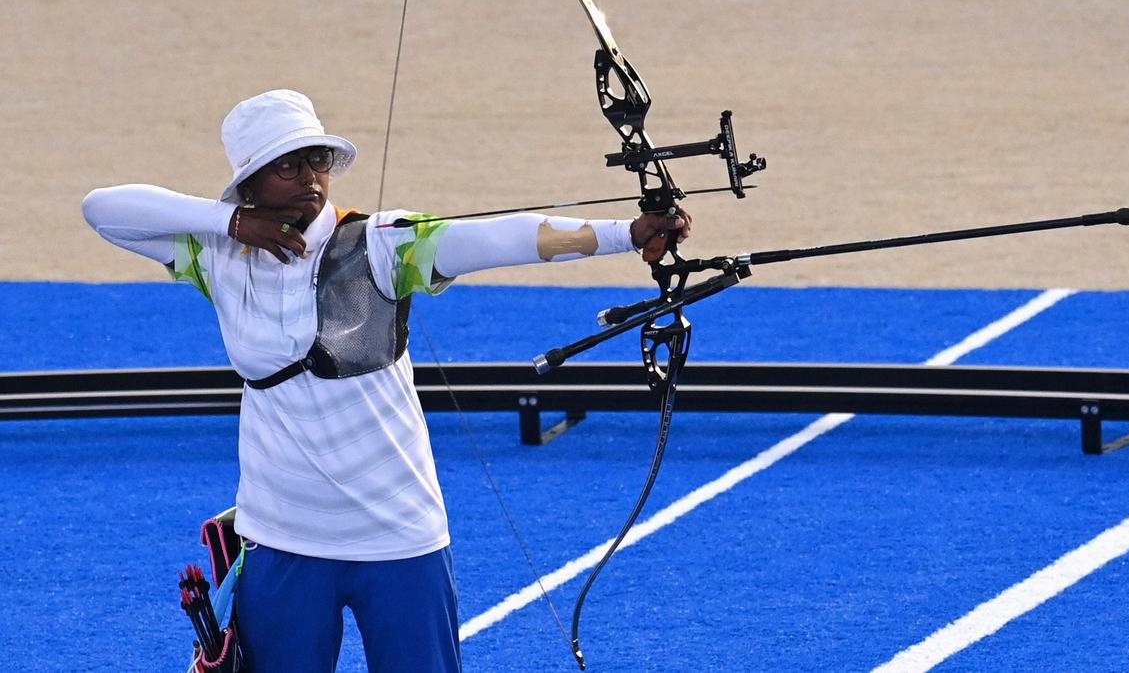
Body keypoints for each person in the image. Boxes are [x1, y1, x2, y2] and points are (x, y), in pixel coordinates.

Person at [81, 89, 690, 672]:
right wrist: (233, 223)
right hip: (282, 533)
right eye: (286, 166)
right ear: (250, 182)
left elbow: (497, 236)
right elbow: (103, 208)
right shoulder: (214, 253)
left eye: (317, 160)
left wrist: (623, 234)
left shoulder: (381, 246)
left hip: (398, 535)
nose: (310, 178)